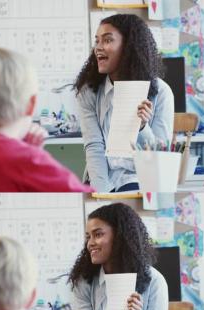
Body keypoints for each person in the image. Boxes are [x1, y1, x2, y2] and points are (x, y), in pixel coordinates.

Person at [0, 48, 92, 192]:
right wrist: (34, 156)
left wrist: (29, 150)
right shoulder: (29, 161)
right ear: (31, 105)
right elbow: (89, 197)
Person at [75, 14, 174, 192]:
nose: (98, 48)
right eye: (97, 41)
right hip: (102, 177)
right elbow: (94, 147)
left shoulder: (161, 92)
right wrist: (102, 194)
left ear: (128, 47)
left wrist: (143, 128)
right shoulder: (88, 93)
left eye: (107, 40)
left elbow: (159, 160)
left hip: (138, 177)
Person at [69, 203, 168, 310]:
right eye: (88, 236)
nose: (90, 243)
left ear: (120, 237)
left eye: (98, 234)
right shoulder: (84, 283)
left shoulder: (155, 282)